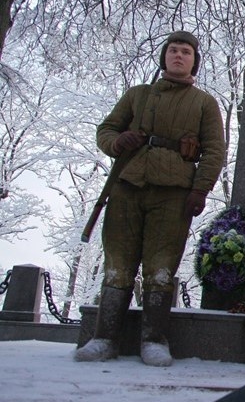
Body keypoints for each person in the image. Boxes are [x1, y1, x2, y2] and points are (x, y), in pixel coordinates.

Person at [75, 31, 225, 367]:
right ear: (164, 57)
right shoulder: (138, 96)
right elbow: (106, 130)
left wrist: (200, 189)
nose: (178, 56)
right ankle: (104, 337)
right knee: (118, 265)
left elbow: (215, 151)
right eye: (173, 50)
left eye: (185, 52)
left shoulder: (204, 103)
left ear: (194, 61)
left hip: (173, 194)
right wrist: (118, 142)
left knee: (161, 269)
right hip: (128, 186)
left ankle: (154, 339)